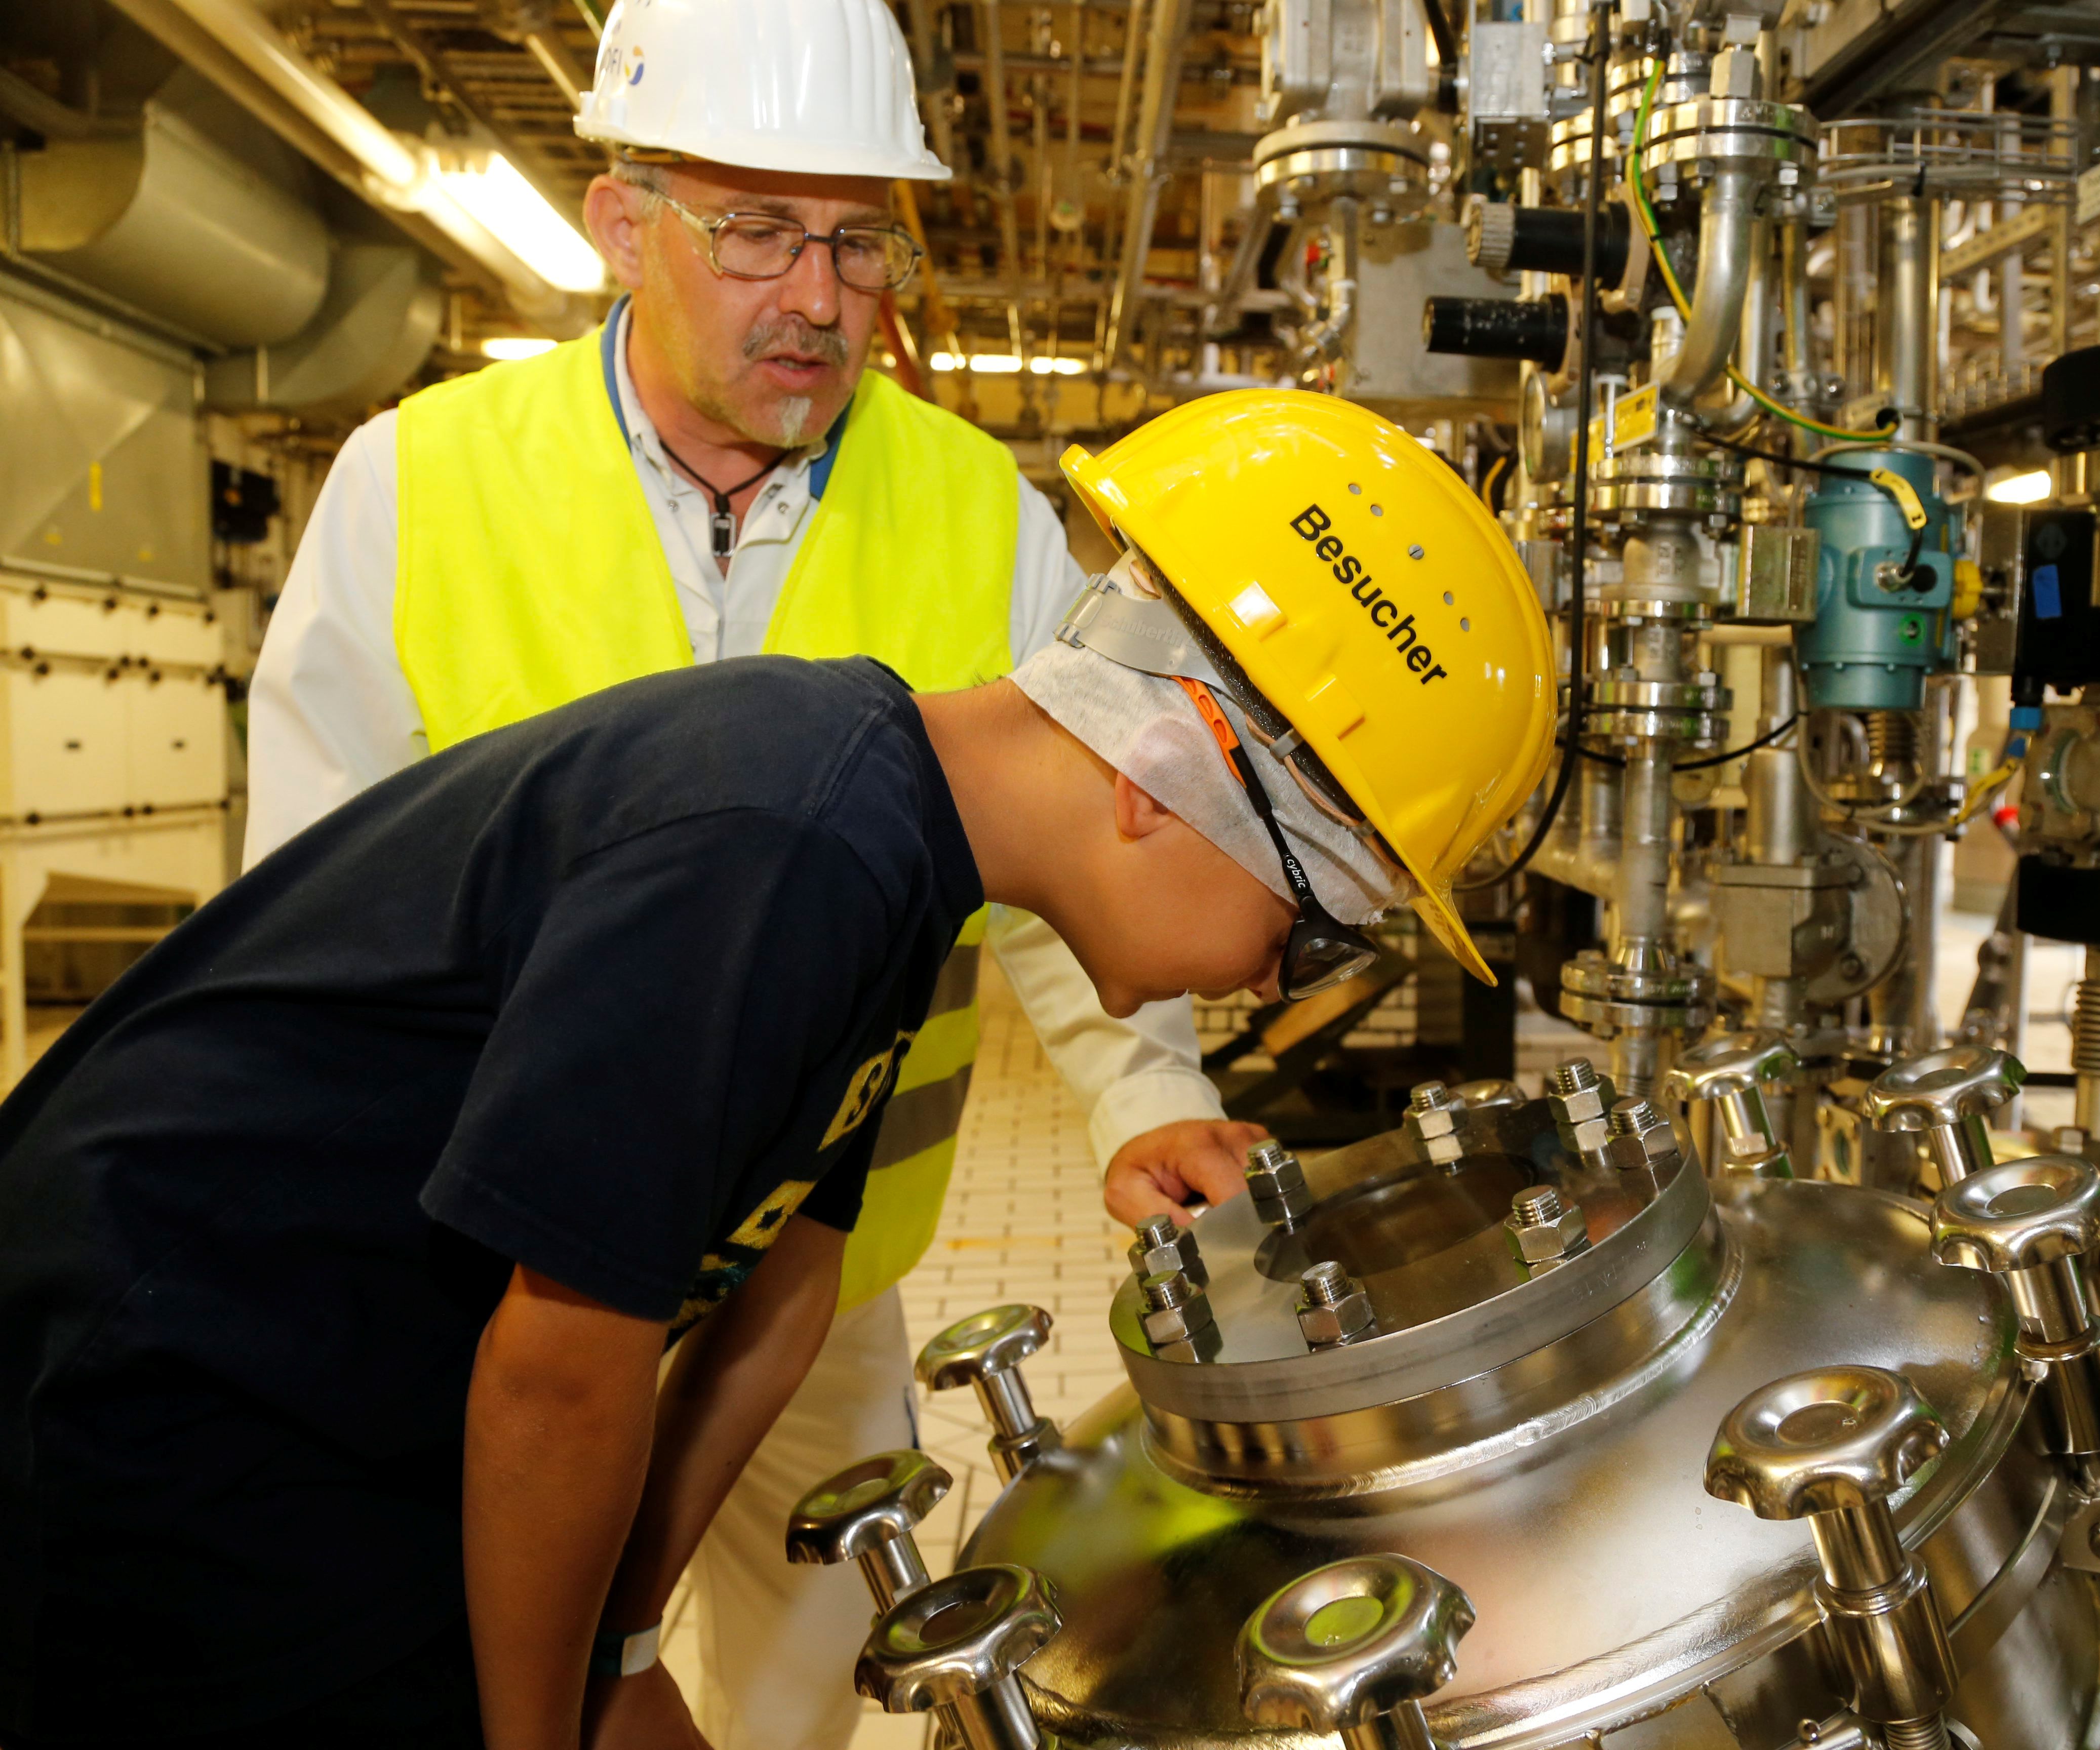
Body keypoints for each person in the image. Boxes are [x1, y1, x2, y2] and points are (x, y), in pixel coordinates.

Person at [0, 390, 1556, 1750]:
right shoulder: (786, 843)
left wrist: (616, 1655)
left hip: (350, 1385)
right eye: (1322, 923)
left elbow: (781, 1285)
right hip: (164, 1394)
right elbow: (561, 1363)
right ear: (1177, 768)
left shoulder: (896, 856)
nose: (1282, 980)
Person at [239, 2, 1261, 1739]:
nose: (816, 296)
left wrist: (1137, 1096)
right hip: (493, 1276)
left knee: (795, 1697)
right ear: (619, 225)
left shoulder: (975, 509)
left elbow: (1073, 835)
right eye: (758, 231)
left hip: (815, 1286)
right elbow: (315, 905)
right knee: (477, 1673)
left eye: (862, 241)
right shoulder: (419, 483)